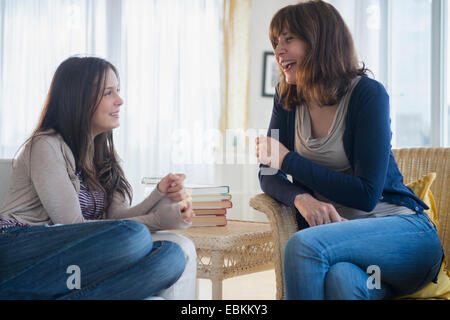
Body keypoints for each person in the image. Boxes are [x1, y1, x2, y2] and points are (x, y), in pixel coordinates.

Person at [255, 0, 444, 300]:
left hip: (405, 237)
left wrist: (288, 159)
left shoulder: (368, 94)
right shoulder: (287, 97)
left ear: (319, 38)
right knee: (341, 282)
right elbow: (268, 173)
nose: (278, 51)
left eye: (289, 39)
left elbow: (366, 195)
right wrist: (301, 199)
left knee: (304, 245)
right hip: (350, 252)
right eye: (276, 42)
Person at [0, 56, 195, 299]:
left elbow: (117, 218)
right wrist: (157, 219)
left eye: (118, 91)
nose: (120, 101)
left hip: (69, 259)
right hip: (18, 245)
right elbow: (72, 226)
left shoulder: (106, 157)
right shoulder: (46, 145)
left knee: (171, 256)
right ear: (78, 100)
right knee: (135, 237)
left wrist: (159, 195)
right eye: (108, 93)